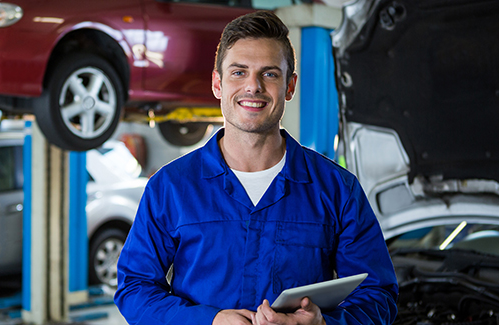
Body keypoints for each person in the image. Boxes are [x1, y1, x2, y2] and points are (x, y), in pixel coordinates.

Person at [114, 10, 398, 325]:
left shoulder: (337, 190)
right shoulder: (170, 187)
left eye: (270, 74)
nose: (253, 87)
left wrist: (322, 324)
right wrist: (210, 321)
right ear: (217, 84)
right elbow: (135, 288)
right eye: (239, 72)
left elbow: (378, 296)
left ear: (290, 86)